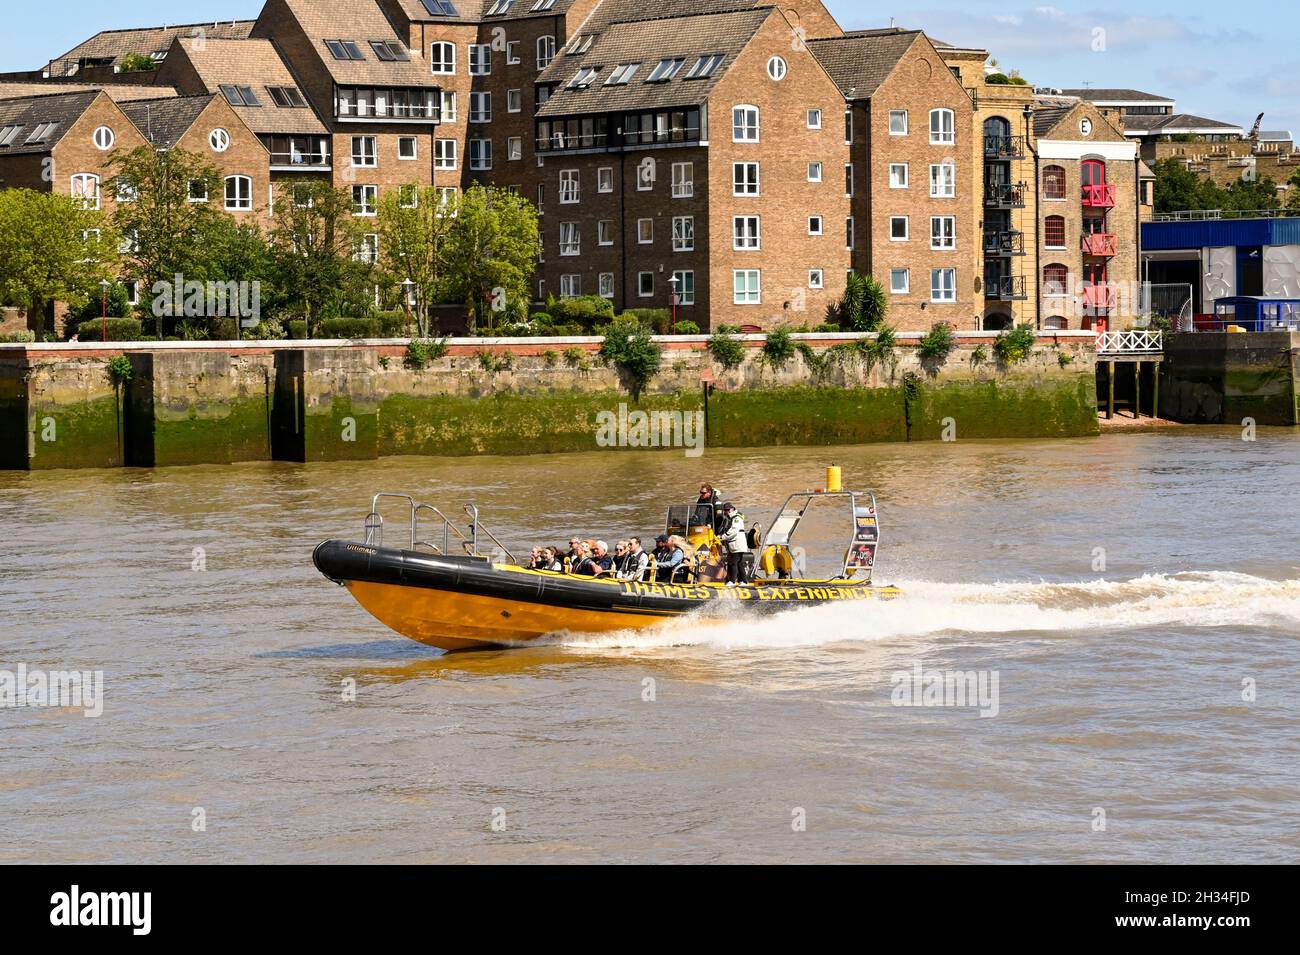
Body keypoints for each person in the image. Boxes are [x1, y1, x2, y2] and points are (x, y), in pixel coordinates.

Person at [717, 501, 750, 585]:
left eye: (728, 509)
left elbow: (733, 531)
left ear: (732, 509)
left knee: (733, 562)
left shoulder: (736, 519)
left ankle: (732, 581)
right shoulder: (729, 518)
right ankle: (743, 581)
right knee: (739, 563)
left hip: (737, 545)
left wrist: (722, 537)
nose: (727, 511)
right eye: (725, 510)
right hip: (734, 545)